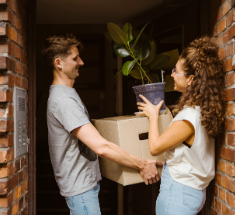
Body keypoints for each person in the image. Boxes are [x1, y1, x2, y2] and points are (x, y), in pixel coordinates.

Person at [41, 34, 162, 215]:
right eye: (75, 58)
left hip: (83, 186)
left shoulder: (67, 93)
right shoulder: (63, 100)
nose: (81, 62)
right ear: (58, 63)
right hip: (80, 189)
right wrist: (142, 164)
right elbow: (101, 147)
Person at [137, 36, 225, 215]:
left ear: (191, 79)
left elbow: (154, 147)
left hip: (178, 193)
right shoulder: (200, 111)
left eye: (176, 71)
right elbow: (191, 154)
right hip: (190, 192)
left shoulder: (188, 117)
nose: (172, 75)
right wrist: (169, 163)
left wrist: (153, 116)